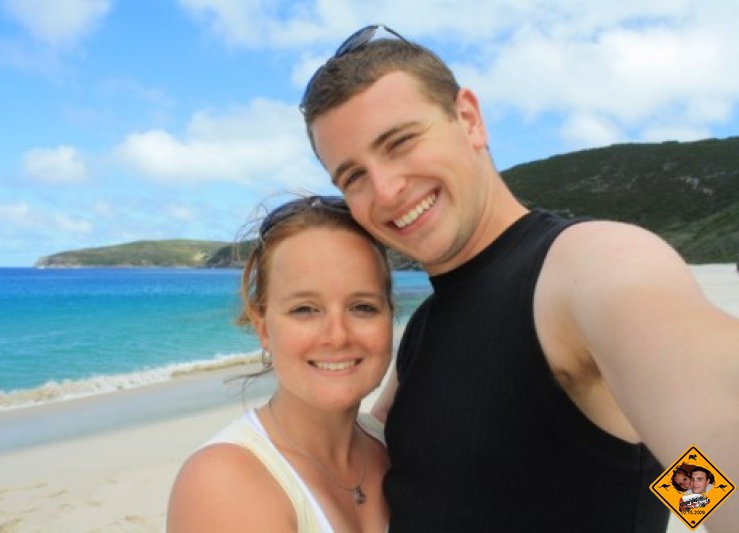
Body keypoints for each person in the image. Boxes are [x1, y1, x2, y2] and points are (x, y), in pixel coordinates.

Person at [300, 24, 739, 532]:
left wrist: (700, 503)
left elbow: (703, 435)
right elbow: (380, 448)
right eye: (353, 176)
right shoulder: (427, 324)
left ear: (469, 120)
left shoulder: (585, 266)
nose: (385, 190)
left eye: (400, 142)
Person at [166, 195, 394, 532]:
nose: (337, 336)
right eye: (305, 309)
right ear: (263, 329)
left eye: (363, 307)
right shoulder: (224, 482)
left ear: (390, 317)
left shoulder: (391, 443)